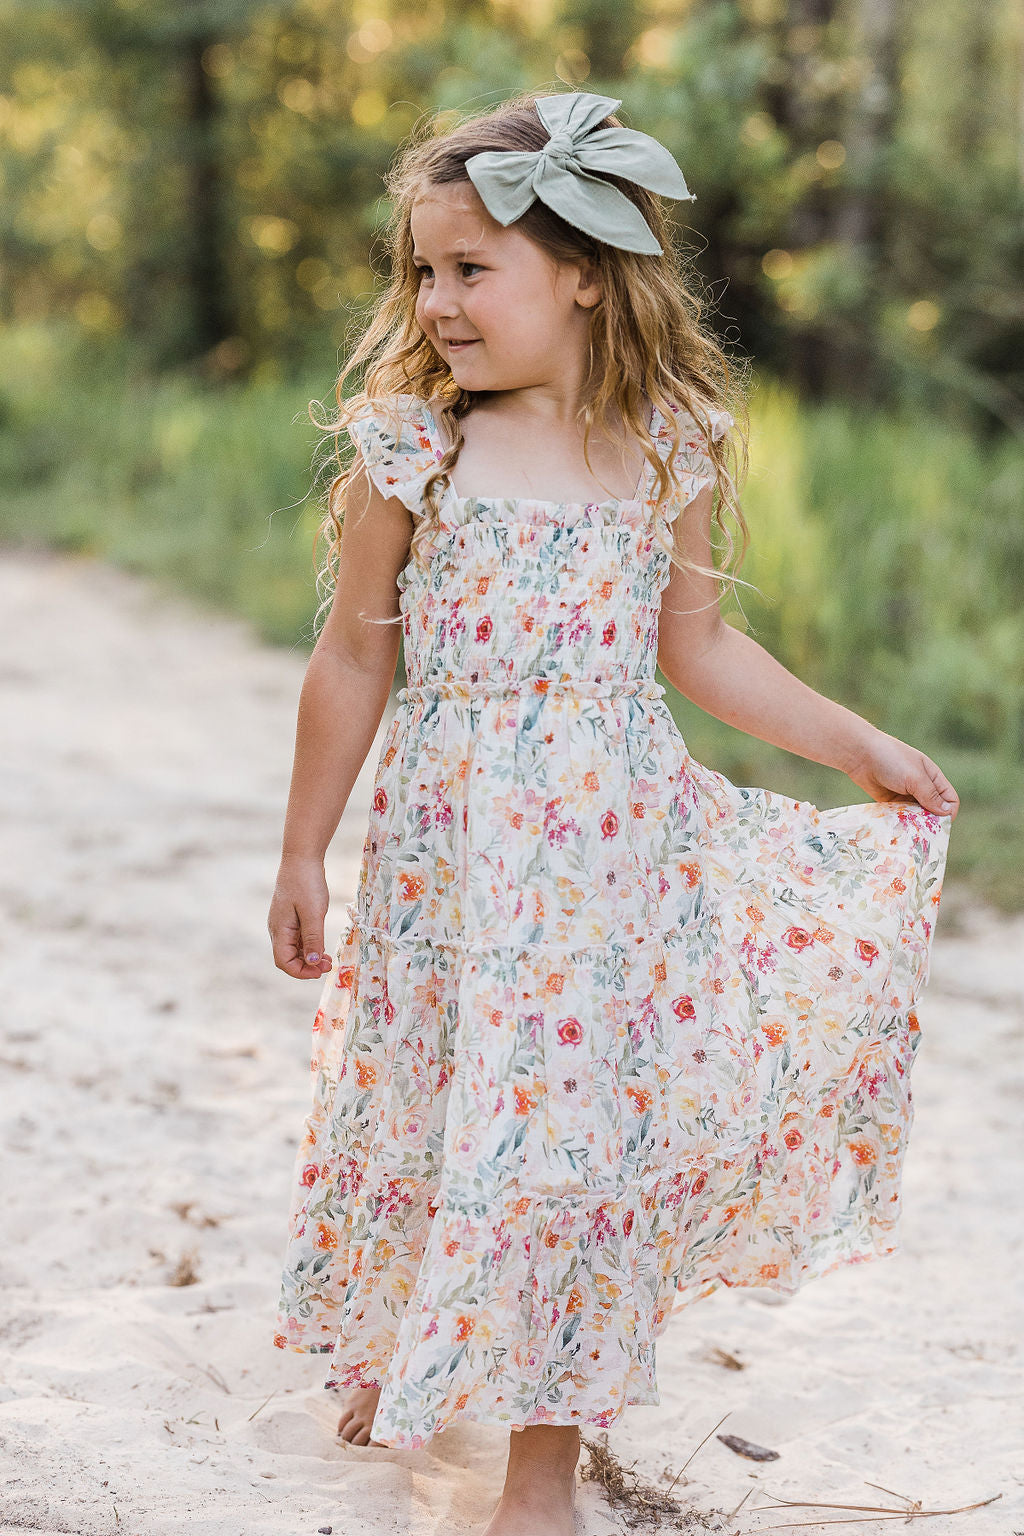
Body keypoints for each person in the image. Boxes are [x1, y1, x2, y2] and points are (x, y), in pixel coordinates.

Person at [267, 88, 957, 1536]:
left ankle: (538, 1468)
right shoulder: (414, 450)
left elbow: (700, 649)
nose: (439, 303)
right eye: (424, 274)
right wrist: (303, 851)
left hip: (608, 870)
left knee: (572, 1144)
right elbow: (352, 653)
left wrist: (860, 744)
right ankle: (407, 1334)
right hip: (452, 862)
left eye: (473, 269)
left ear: (582, 269)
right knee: (441, 1094)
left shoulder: (671, 444)